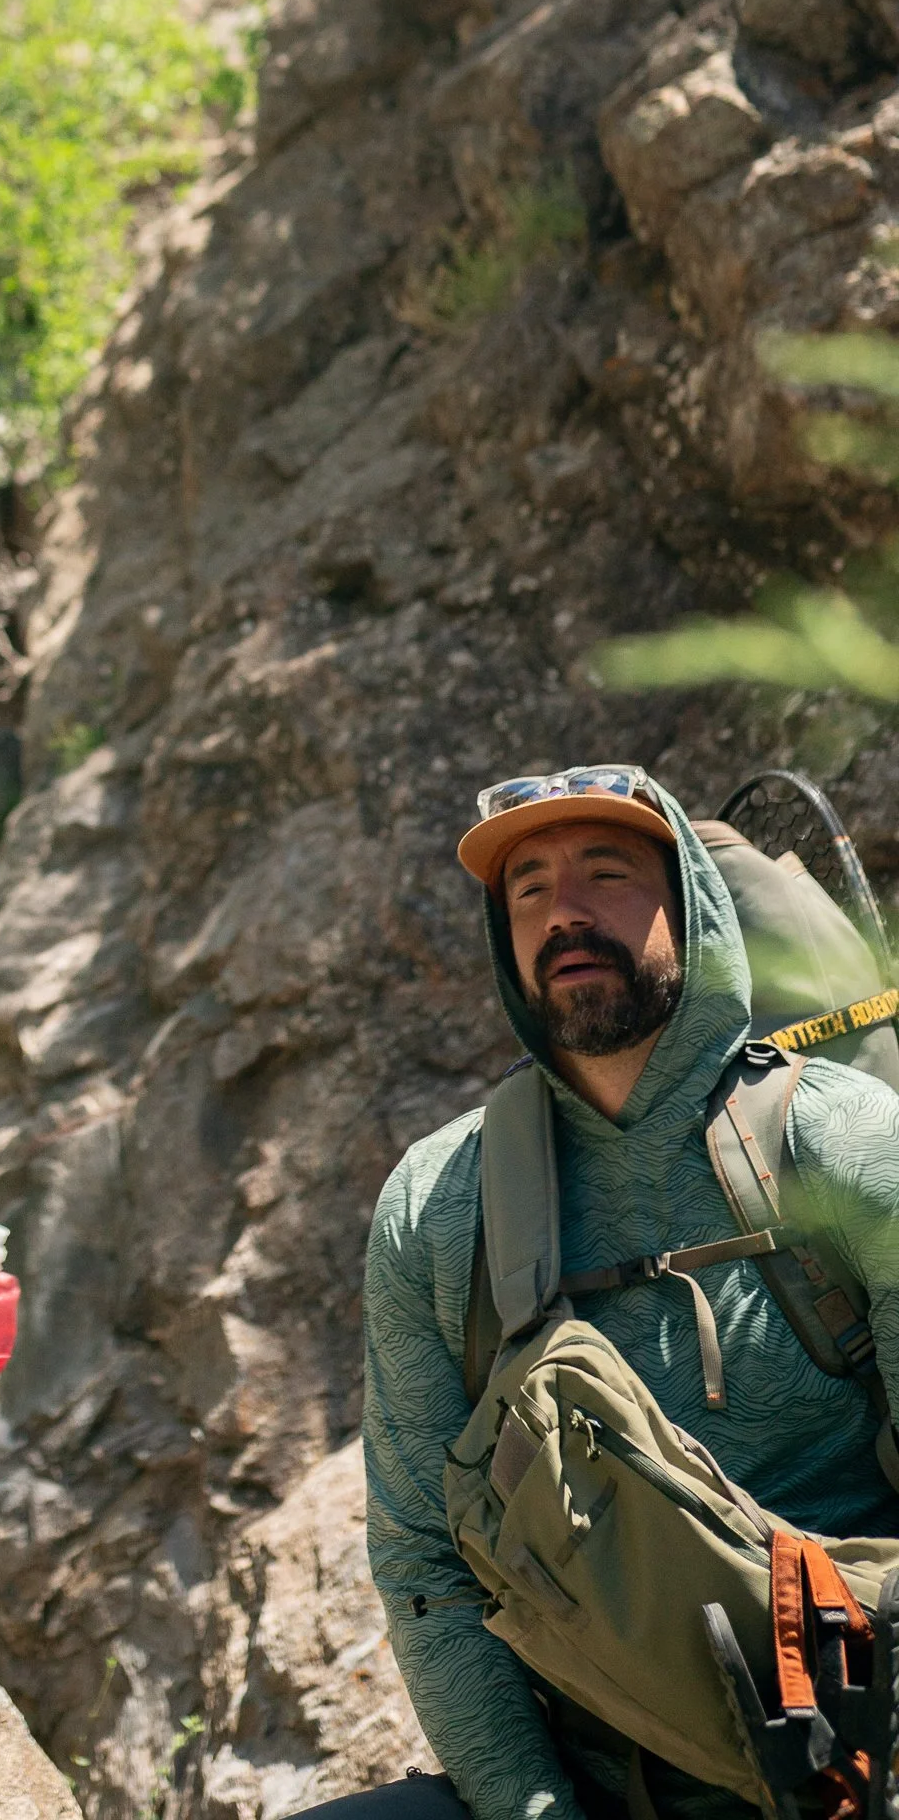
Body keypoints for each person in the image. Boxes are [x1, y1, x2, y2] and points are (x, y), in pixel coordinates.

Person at [352, 764, 899, 1820]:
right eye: (527, 890)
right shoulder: (433, 1207)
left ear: (690, 905)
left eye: (605, 873)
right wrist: (527, 1805)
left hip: (857, 1749)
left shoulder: (846, 1145)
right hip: (598, 1783)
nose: (563, 912)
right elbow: (423, 1564)